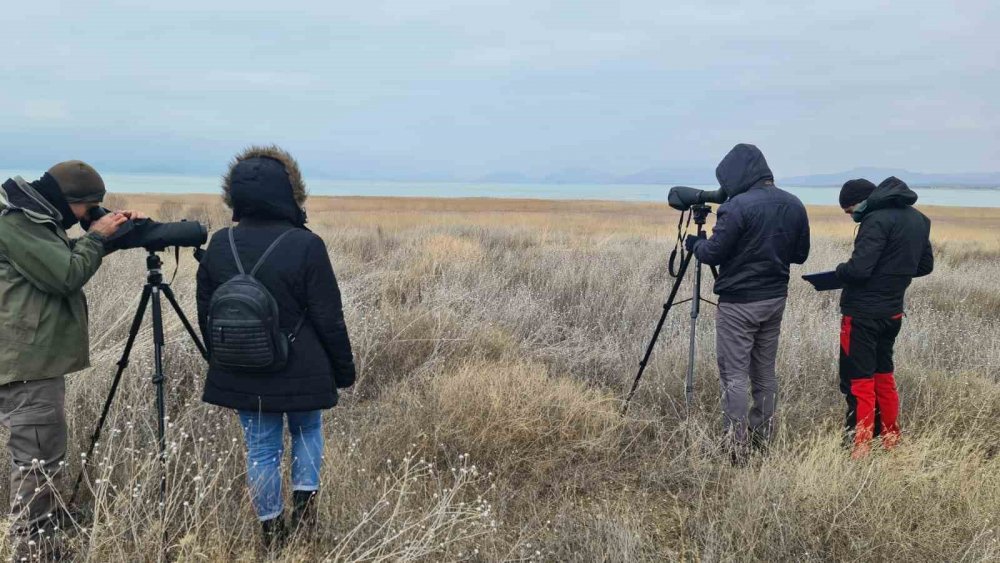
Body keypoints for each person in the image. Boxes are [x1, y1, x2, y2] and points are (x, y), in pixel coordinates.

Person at [196, 146, 356, 547]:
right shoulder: (306, 244)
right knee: (306, 430)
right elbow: (328, 317)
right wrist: (343, 370)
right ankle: (305, 518)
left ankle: (271, 533)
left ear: (234, 195)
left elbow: (206, 314)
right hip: (303, 364)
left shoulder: (219, 244)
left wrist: (224, 359)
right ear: (291, 192)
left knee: (261, 448)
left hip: (242, 366)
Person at [0, 162, 138, 555]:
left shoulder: (32, 219)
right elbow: (64, 275)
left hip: (26, 358)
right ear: (68, 201)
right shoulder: (19, 223)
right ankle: (33, 547)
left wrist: (107, 236)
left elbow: (55, 258)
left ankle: (39, 535)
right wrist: (97, 237)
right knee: (37, 459)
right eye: (87, 207)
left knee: (38, 456)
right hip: (28, 364)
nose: (86, 216)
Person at [685, 144, 810, 464]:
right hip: (774, 299)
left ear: (737, 174)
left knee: (735, 374)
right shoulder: (794, 204)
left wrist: (697, 244)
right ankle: (762, 438)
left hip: (739, 303)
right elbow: (800, 255)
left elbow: (713, 254)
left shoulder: (737, 207)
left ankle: (735, 446)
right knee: (764, 371)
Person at [835, 177, 933, 459]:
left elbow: (859, 269)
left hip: (862, 314)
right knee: (884, 376)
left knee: (859, 380)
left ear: (861, 201)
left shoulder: (875, 221)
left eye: (849, 210)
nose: (852, 216)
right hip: (893, 312)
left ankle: (860, 446)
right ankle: (890, 438)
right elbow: (925, 265)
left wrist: (840, 271)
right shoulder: (919, 219)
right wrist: (893, 274)